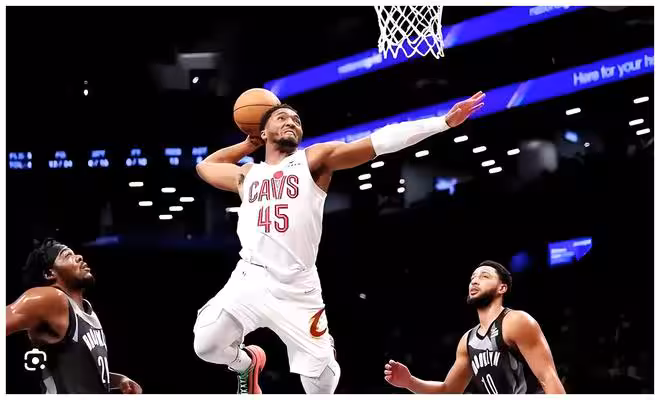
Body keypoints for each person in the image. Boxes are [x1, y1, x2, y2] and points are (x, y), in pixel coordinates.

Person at [193, 91, 486, 394]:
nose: (291, 122)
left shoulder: (313, 160)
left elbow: (378, 142)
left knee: (321, 385)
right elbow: (205, 167)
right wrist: (248, 144)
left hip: (297, 286)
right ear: (264, 132)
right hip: (250, 277)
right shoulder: (247, 174)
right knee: (207, 345)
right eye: (281, 117)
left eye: (296, 120)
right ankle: (247, 365)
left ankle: (324, 351)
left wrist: (443, 122)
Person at [384, 260, 566, 394]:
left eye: (484, 276)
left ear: (502, 288)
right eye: (472, 278)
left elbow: (548, 378)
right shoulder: (468, 341)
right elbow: (449, 391)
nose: (475, 281)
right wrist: (410, 382)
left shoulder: (516, 321)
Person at [6, 238, 142, 394]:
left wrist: (119, 380)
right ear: (50, 273)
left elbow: (81, 376)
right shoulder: (51, 298)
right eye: (67, 255)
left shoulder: (87, 310)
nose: (79, 257)